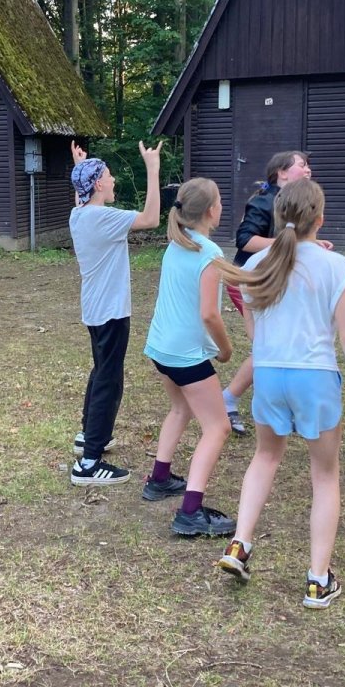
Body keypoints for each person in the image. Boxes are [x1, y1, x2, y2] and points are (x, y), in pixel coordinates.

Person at [216, 178, 345, 606]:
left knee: (265, 457)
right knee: (325, 475)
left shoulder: (257, 262)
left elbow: (253, 329)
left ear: (278, 216)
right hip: (314, 377)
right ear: (320, 219)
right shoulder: (334, 266)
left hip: (269, 374)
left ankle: (239, 544)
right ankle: (318, 579)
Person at [141, 179, 238, 537]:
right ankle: (190, 512)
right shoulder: (208, 252)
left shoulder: (177, 242)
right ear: (211, 210)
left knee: (180, 409)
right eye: (220, 201)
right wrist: (225, 350)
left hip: (161, 348)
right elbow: (210, 314)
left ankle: (160, 479)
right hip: (186, 356)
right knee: (218, 427)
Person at [68, 140, 163, 485]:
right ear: (97, 184)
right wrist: (152, 168)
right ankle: (89, 464)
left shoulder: (79, 214)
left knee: (102, 372)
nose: (113, 180)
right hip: (110, 311)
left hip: (96, 309)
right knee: (109, 380)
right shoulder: (102, 217)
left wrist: (79, 167)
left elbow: (81, 197)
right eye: (108, 176)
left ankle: (89, 437)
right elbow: (151, 219)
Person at [222, 151, 325, 436]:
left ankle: (280, 405)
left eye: (308, 165)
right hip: (248, 280)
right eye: (302, 165)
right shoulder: (263, 201)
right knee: (269, 344)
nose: (308, 169)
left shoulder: (295, 202)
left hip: (272, 281)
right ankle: (229, 400)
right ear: (282, 173)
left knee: (277, 343)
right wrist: (288, 241)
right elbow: (245, 240)